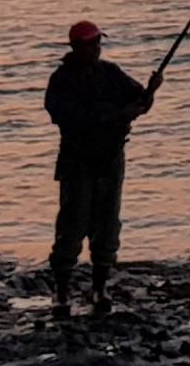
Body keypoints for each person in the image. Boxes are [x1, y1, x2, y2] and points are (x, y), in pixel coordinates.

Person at [44, 20, 163, 317]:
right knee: (72, 226)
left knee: (108, 226)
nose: (96, 49)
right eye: (91, 44)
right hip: (78, 162)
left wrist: (150, 92)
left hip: (110, 160)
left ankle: (99, 288)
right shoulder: (61, 81)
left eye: (99, 43)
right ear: (76, 47)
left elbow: (138, 101)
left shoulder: (110, 73)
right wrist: (118, 114)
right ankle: (61, 292)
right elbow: (70, 117)